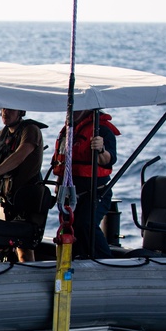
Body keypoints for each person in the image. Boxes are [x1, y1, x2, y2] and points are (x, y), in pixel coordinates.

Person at [0, 108, 48, 261]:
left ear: (21, 112)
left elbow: (19, 156)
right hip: (8, 202)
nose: (4, 113)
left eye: (9, 109)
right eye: (2, 109)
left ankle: (28, 278)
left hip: (26, 204)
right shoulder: (5, 134)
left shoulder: (30, 131)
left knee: (24, 248)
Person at [50, 110, 120, 259]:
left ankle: (106, 262)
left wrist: (100, 149)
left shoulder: (102, 130)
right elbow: (63, 163)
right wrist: (59, 186)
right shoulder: (68, 132)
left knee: (85, 224)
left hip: (95, 192)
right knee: (70, 230)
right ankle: (77, 262)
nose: (71, 112)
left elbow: (108, 159)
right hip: (70, 194)